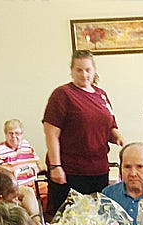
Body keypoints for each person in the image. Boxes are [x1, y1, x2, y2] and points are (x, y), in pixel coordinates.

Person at [43, 50, 124, 214]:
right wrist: (55, 166)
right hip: (71, 171)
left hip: (99, 169)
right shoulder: (63, 94)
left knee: (97, 218)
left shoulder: (101, 95)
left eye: (87, 69)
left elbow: (109, 127)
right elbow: (51, 134)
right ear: (71, 70)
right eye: (78, 70)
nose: (84, 74)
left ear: (94, 70)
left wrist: (119, 138)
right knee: (70, 221)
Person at [0, 118, 42, 183]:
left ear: (22, 135)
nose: (14, 136)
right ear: (5, 134)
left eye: (17, 133)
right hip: (14, 186)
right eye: (10, 133)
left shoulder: (27, 145)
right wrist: (10, 170)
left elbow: (41, 165)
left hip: (33, 182)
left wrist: (35, 170)